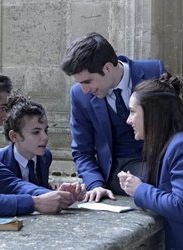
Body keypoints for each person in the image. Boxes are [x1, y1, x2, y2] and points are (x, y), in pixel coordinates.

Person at [118, 73, 183, 250]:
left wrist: (139, 189)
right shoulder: (171, 144)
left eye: (133, 112)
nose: (128, 120)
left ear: (153, 114)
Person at [61, 32, 166, 202]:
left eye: (88, 81)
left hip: (161, 161)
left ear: (108, 68)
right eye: (79, 83)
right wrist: (95, 184)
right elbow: (81, 151)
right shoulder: (79, 95)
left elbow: (174, 124)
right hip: (119, 171)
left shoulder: (154, 72)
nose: (85, 90)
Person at [0, 70, 84, 217]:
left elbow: (8, 182)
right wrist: (34, 202)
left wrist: (55, 196)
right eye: (2, 109)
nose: (5, 117)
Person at [0, 94, 53, 189]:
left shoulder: (46, 156)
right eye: (36, 132)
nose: (45, 137)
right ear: (14, 136)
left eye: (45, 130)